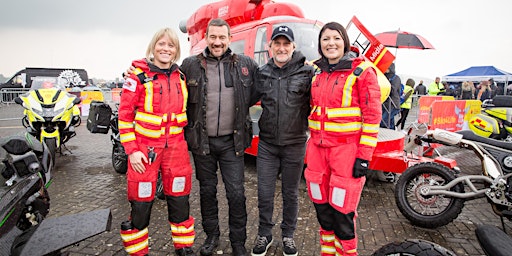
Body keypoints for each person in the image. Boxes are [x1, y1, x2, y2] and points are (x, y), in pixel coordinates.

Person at [180, 18, 258, 256]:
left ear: (229, 38)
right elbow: (168, 80)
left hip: (231, 143)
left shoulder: (246, 65)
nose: (217, 42)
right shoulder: (189, 65)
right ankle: (212, 235)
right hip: (202, 143)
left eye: (222, 37)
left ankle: (238, 242)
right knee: (207, 191)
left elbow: (260, 89)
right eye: (212, 37)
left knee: (236, 193)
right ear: (206, 38)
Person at [304, 22, 381, 256]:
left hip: (345, 154)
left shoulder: (363, 72)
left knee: (343, 214)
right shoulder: (316, 73)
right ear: (320, 44)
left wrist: (364, 157)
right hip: (317, 153)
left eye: (336, 38)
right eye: (326, 39)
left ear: (345, 41)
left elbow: (372, 117)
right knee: (322, 211)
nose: (331, 43)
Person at [118, 28, 195, 256]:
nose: (165, 49)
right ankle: (138, 251)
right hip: (145, 149)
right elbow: (124, 117)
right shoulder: (137, 77)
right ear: (153, 47)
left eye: (171, 45)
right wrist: (132, 151)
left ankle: (183, 248)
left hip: (177, 148)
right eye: (161, 44)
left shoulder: (181, 76)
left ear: (176, 50)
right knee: (141, 201)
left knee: (180, 198)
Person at [249, 25, 313, 256]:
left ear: (293, 46)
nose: (282, 47)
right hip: (267, 145)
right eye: (278, 43)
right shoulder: (262, 73)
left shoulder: (307, 73)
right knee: (264, 193)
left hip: (295, 145)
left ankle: (288, 236)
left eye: (287, 43)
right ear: (271, 47)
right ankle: (264, 234)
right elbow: (244, 99)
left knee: (290, 193)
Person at [380, 63, 401, 129]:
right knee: (390, 122)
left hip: (393, 104)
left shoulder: (396, 78)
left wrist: (385, 86)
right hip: (385, 103)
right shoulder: (383, 77)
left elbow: (393, 90)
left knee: (383, 121)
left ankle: (386, 135)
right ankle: (392, 134)